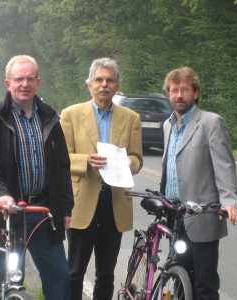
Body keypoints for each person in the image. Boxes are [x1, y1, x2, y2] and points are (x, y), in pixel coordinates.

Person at [0, 55, 73, 300]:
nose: (25, 84)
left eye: (30, 78)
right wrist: (0, 194)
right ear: (8, 83)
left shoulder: (49, 117)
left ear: (38, 82)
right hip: (9, 215)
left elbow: (62, 167)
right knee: (9, 281)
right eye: (19, 79)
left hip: (43, 213)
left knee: (60, 278)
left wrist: (66, 207)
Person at [60, 57, 143, 300]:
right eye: (99, 80)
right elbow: (60, 158)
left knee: (106, 274)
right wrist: (85, 160)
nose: (104, 85)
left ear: (117, 86)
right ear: (89, 84)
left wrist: (131, 163)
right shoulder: (70, 114)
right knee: (74, 272)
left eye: (110, 80)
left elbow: (137, 158)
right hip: (82, 203)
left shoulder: (131, 118)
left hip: (114, 204)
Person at [160, 66, 237, 300]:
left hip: (202, 213)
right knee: (179, 276)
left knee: (204, 283)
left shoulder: (210, 123)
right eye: (174, 91)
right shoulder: (167, 125)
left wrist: (229, 201)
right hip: (174, 212)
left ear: (195, 93)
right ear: (168, 94)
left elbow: (224, 165)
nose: (178, 95)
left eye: (184, 90)